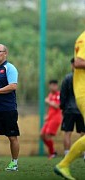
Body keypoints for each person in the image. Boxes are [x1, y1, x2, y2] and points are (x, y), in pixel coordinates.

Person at [54, 31, 85, 180]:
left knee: (73, 133)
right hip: (83, 96)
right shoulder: (84, 38)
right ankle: (64, 163)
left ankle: (65, 162)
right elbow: (80, 62)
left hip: (73, 104)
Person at [60, 58, 85, 156]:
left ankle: (67, 154)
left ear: (72, 65)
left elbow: (63, 95)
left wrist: (63, 107)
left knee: (67, 132)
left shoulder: (67, 78)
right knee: (83, 133)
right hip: (81, 109)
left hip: (69, 110)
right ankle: (84, 153)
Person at [40, 80, 62, 159]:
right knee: (42, 135)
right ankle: (53, 152)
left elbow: (58, 106)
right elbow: (50, 107)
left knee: (47, 135)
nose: (53, 87)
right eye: (52, 85)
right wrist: (47, 115)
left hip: (56, 118)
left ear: (57, 86)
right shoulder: (50, 94)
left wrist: (49, 101)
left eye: (55, 85)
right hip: (49, 118)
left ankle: (52, 153)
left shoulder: (59, 95)